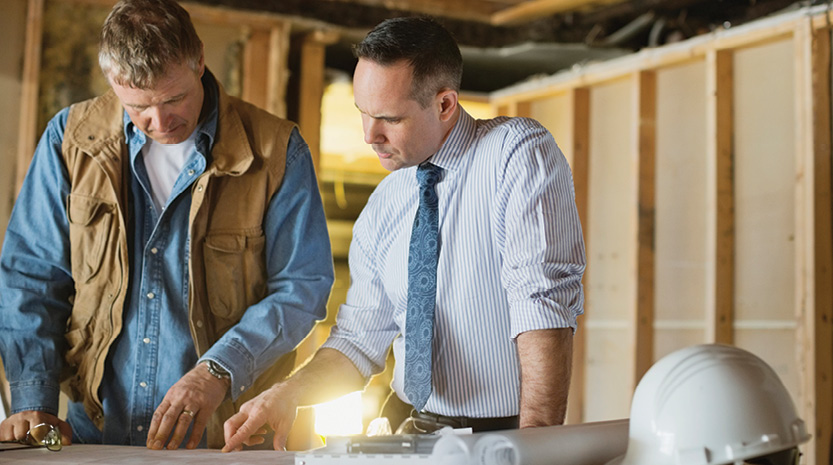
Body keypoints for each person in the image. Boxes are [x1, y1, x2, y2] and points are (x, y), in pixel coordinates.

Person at [222, 16, 585, 452]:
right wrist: (289, 393)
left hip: (507, 434)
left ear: (445, 104)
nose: (369, 136)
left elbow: (541, 303)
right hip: (416, 432)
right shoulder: (386, 203)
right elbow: (359, 340)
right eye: (363, 113)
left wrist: (535, 447)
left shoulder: (514, 154)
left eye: (388, 119)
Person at [0, 0, 333, 451]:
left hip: (227, 440)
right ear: (113, 82)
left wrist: (219, 369)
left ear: (198, 60)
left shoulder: (277, 151)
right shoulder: (70, 139)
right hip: (95, 435)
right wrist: (32, 396)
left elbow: (302, 287)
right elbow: (31, 276)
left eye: (174, 99)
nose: (160, 122)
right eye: (138, 107)